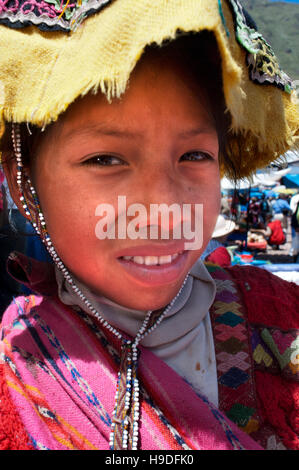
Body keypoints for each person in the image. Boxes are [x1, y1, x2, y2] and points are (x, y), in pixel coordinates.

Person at [0, 0, 298, 451]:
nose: (162, 209)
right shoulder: (14, 377)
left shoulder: (285, 316)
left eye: (194, 156)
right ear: (23, 183)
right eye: (105, 159)